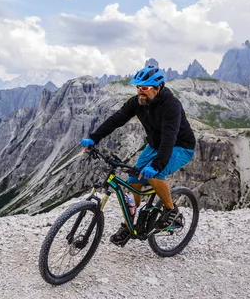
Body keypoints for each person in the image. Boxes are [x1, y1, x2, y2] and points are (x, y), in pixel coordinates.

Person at [80, 65, 196, 246]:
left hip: (179, 146)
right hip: (154, 145)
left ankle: (171, 210)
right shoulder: (137, 102)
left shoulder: (171, 106)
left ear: (158, 88)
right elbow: (116, 120)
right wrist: (94, 138)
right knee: (134, 179)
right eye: (137, 87)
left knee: (156, 175)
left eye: (144, 88)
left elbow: (169, 138)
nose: (139, 92)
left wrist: (157, 165)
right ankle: (129, 225)